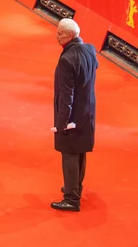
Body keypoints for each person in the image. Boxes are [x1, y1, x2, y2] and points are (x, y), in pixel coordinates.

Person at [51, 18, 98, 212]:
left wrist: (61, 122)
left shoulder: (67, 60)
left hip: (71, 116)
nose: (56, 36)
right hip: (87, 111)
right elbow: (94, 68)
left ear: (70, 36)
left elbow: (66, 95)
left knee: (70, 154)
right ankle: (75, 187)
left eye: (60, 33)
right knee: (80, 151)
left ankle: (71, 199)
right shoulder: (90, 49)